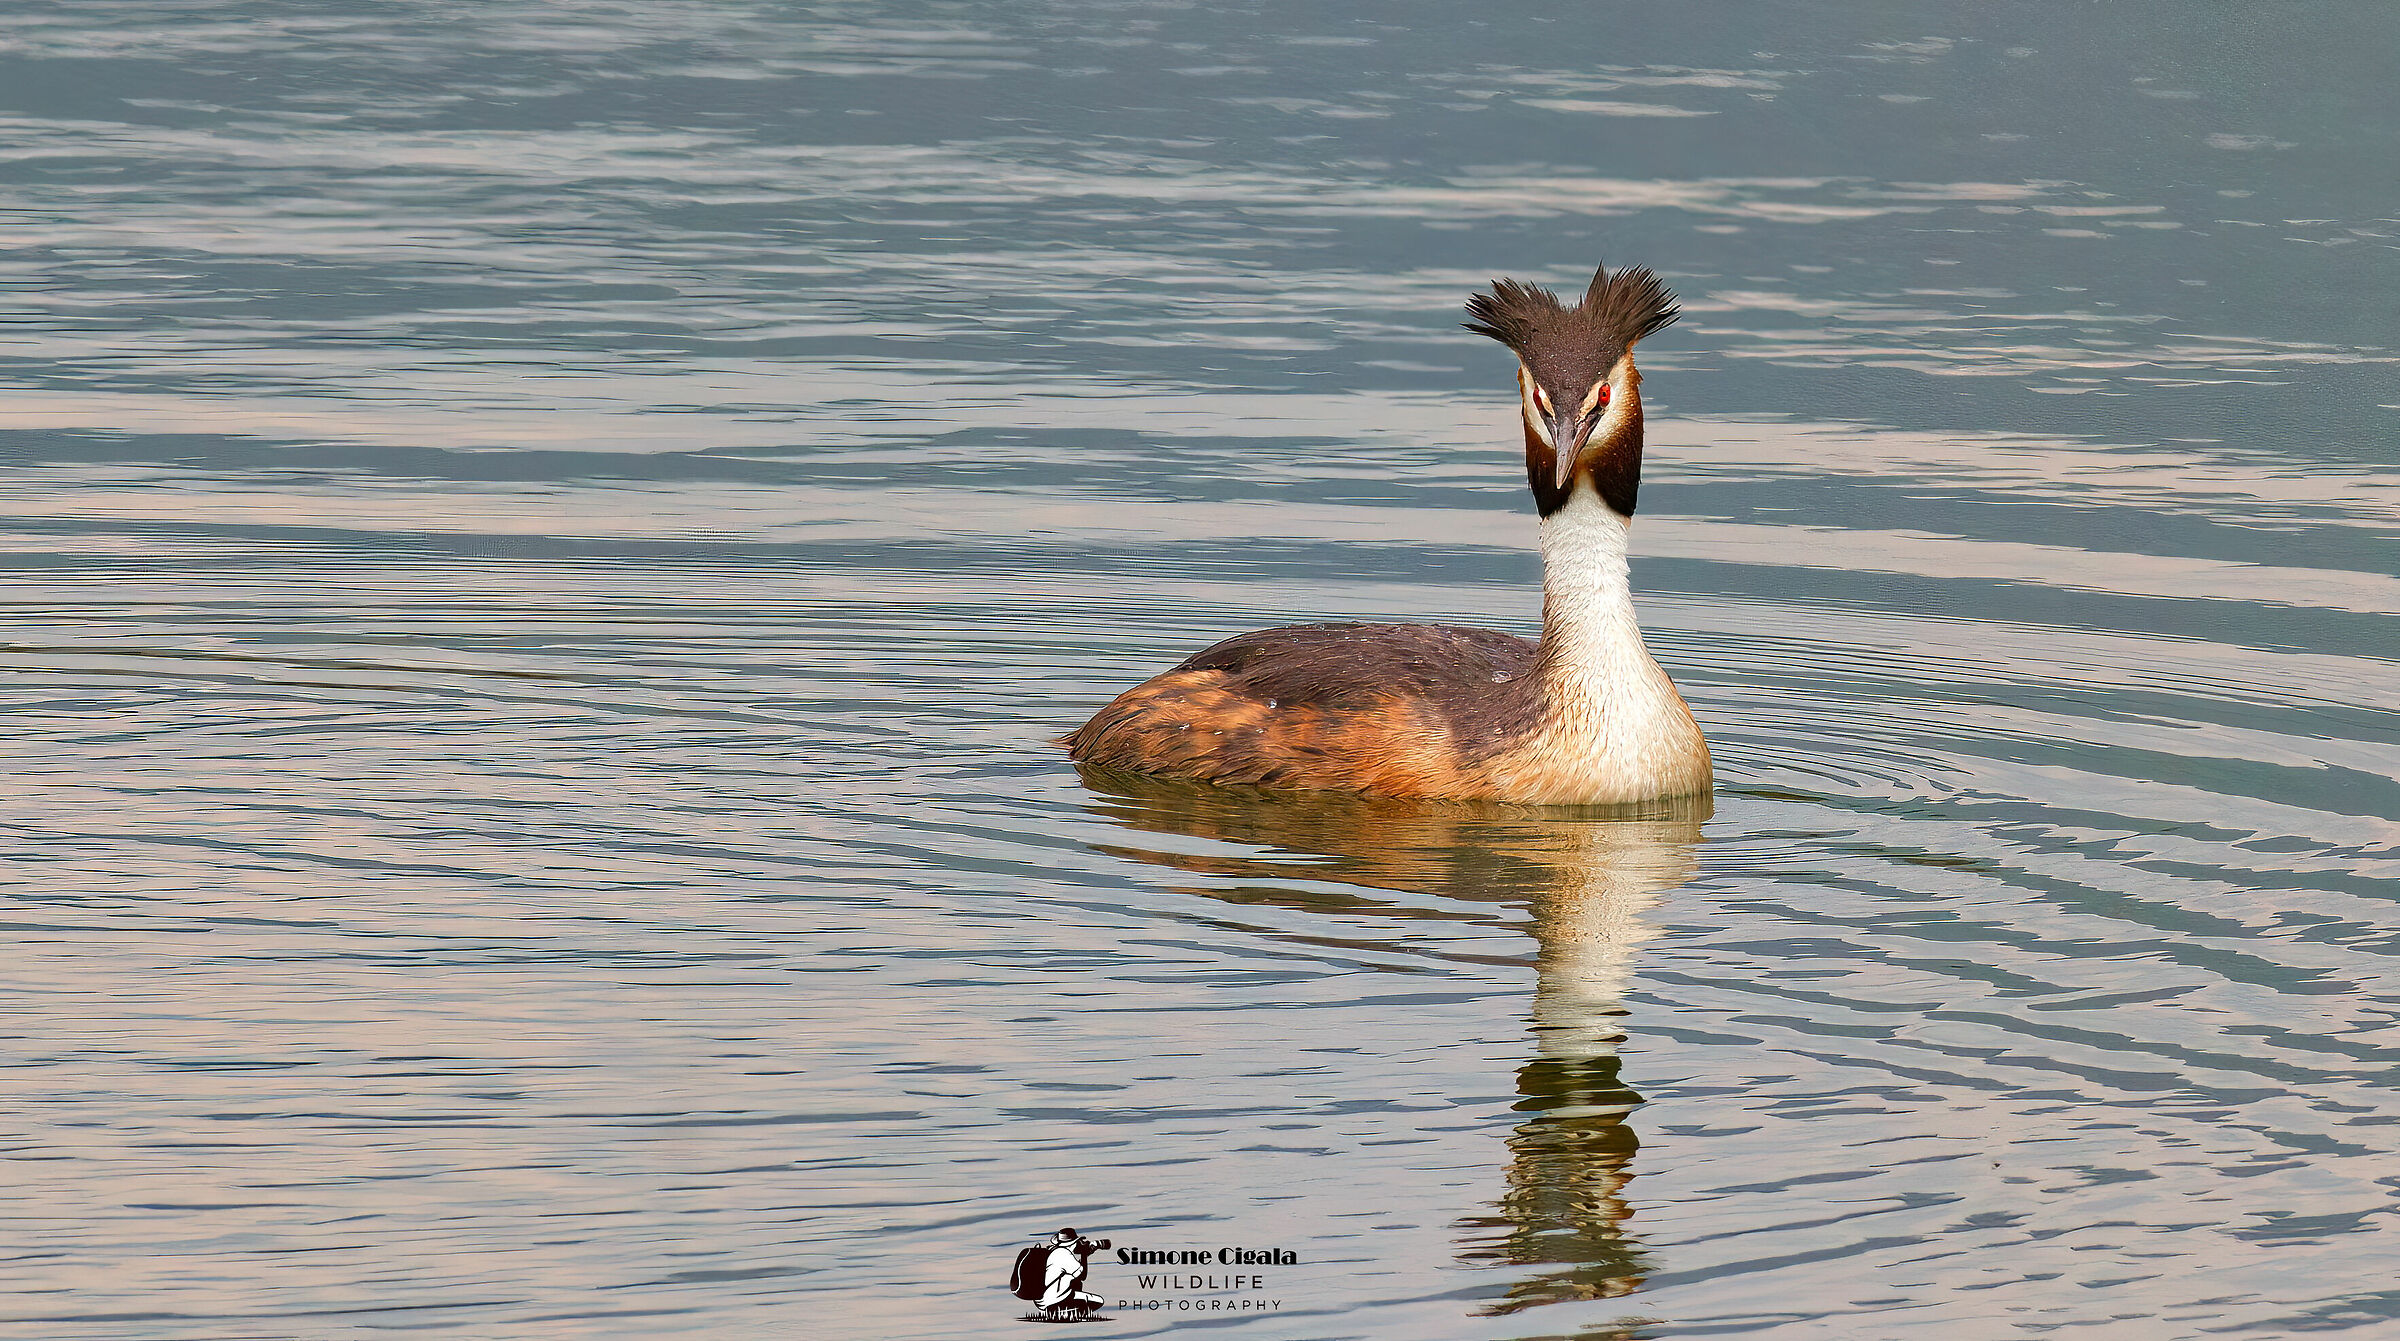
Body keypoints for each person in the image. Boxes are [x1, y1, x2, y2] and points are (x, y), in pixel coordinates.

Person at [1038, 1228, 1106, 1317]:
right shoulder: (1064, 1254)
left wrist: (1085, 1254)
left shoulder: (1053, 1251)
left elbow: (1074, 1272)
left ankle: (1062, 1309)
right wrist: (1084, 1254)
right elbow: (1082, 1276)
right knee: (1099, 1301)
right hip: (1054, 1299)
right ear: (1073, 1243)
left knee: (1075, 1282)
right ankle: (1059, 1311)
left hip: (1042, 1300)